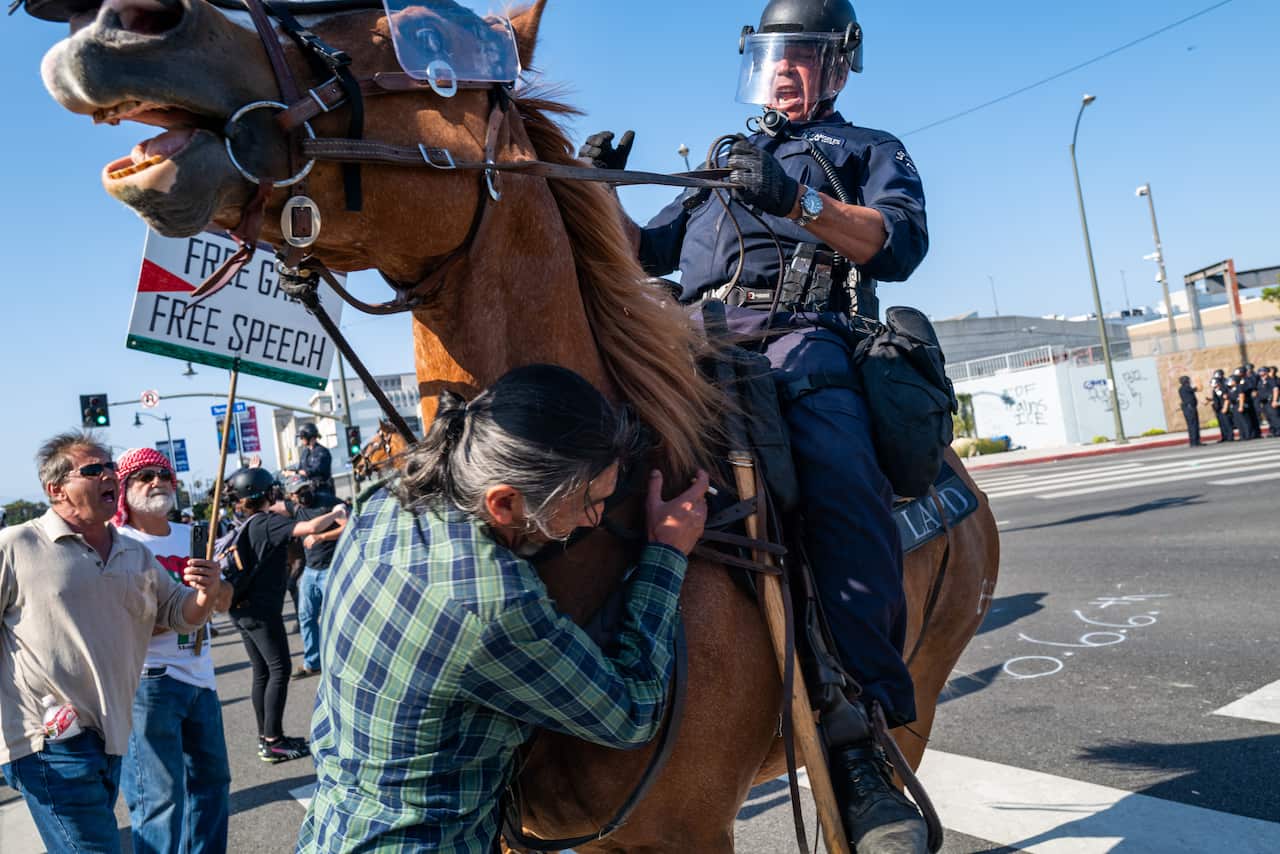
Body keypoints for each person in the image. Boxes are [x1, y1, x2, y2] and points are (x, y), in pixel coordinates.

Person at [580, 1, 929, 849]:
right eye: (772, 53)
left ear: (838, 66)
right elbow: (642, 252)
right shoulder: (720, 164)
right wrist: (592, 193)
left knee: (840, 488)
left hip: (803, 341)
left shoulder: (869, 149)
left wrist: (798, 198)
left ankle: (859, 740)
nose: (782, 68)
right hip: (694, 342)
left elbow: (897, 243)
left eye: (802, 53)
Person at [297, 364, 710, 853]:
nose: (594, 519)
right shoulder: (494, 606)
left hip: (333, 830)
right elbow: (633, 715)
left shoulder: (384, 501)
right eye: (587, 502)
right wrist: (666, 554)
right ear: (504, 503)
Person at [0, 432, 220, 854]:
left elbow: (180, 614)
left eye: (110, 467)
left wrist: (204, 594)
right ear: (55, 488)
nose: (109, 475)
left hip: (112, 734)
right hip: (48, 741)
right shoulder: (17, 545)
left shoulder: (133, 552)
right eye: (93, 469)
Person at [112, 448, 234, 854]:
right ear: (123, 489)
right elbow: (122, 623)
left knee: (213, 786)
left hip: (200, 676)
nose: (156, 481)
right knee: (159, 801)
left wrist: (215, 587)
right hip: (149, 682)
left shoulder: (193, 537)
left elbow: (227, 601)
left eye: (163, 473)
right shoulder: (117, 545)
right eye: (143, 476)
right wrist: (188, 611)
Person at [222, 467, 345, 763]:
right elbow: (311, 528)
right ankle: (274, 741)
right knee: (279, 670)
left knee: (262, 671)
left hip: (242, 608)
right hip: (262, 611)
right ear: (267, 493)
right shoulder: (266, 523)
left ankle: (266, 737)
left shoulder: (245, 522)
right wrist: (337, 510)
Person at [283, 475, 347, 680]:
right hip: (310, 571)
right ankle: (313, 663)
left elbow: (347, 526)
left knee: (336, 618)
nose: (302, 494)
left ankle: (343, 662)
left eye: (304, 489)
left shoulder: (328, 502)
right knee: (306, 617)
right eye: (297, 492)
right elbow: (269, 506)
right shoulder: (295, 509)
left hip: (331, 569)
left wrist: (321, 536)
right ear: (291, 496)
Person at [284, 423, 335, 495]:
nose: (301, 439)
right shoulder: (305, 453)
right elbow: (300, 469)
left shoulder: (322, 452)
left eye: (302, 437)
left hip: (322, 490)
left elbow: (313, 471)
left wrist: (294, 473)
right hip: (309, 491)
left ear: (309, 436)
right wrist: (290, 472)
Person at [1177, 376, 1201, 447]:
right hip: (1190, 408)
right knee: (1193, 425)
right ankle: (1194, 441)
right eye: (1188, 380)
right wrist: (1198, 381)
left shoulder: (1181, 388)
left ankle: (1195, 441)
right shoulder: (1186, 387)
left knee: (1193, 424)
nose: (1190, 381)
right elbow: (1199, 389)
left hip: (1188, 408)